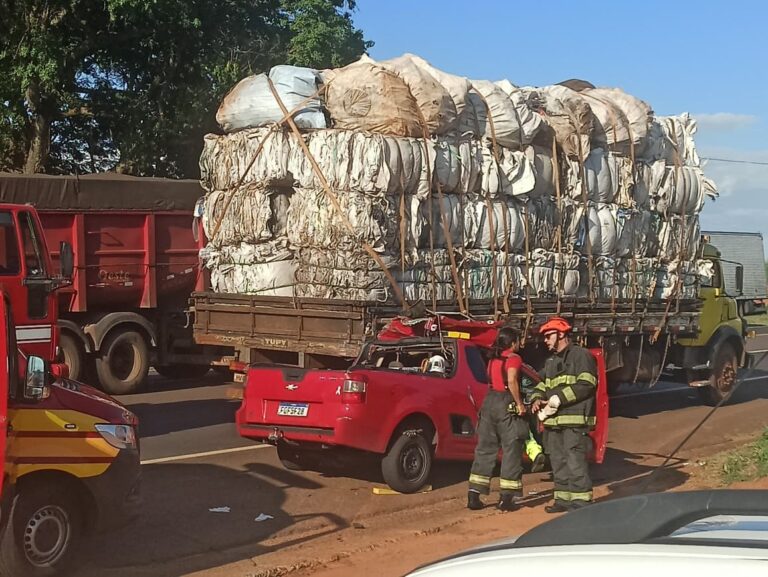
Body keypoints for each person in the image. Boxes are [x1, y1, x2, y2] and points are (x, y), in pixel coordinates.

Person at [530, 316, 598, 513]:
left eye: (548, 336)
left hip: (574, 420)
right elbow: (541, 384)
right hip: (553, 422)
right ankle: (562, 500)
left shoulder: (581, 356)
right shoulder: (551, 361)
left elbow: (587, 384)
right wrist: (536, 398)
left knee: (574, 461)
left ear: (561, 334)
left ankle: (581, 501)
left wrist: (558, 398)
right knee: (558, 461)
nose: (545, 340)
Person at [467, 327, 529, 512]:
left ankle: (473, 495)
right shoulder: (514, 359)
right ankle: (506, 499)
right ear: (512, 342)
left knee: (485, 449)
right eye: (518, 340)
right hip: (505, 403)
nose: (520, 344)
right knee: (512, 449)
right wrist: (520, 404)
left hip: (489, 402)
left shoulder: (493, 359)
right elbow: (512, 381)